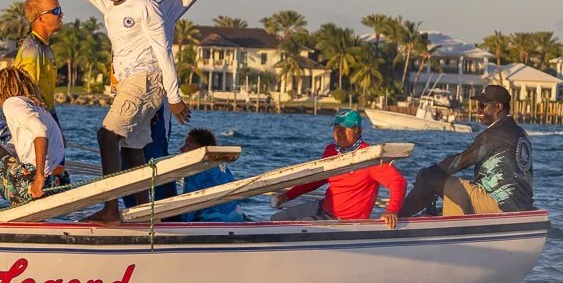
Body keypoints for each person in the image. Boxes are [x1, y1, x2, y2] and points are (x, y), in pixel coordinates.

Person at [38, 0, 184, 223]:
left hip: (145, 80)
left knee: (107, 135)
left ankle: (109, 208)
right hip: (132, 83)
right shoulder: (109, 5)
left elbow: (163, 51)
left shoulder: (145, 7)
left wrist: (174, 95)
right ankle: (143, 211)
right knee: (132, 148)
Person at [128, 0, 230, 203]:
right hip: (128, 96)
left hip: (158, 100)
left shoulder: (164, 11)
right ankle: (130, 212)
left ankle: (165, 212)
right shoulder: (117, 12)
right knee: (129, 160)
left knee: (157, 157)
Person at [399, 84, 534, 217]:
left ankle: (399, 219)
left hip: (500, 206)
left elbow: (460, 162)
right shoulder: (521, 133)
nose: (478, 110)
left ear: (498, 106)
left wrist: (428, 173)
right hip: (522, 204)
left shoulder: (494, 134)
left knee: (431, 178)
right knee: (449, 183)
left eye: (482, 105)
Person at [273, 110, 405, 228]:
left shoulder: (371, 157)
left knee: (293, 227)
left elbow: (398, 183)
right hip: (322, 207)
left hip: (343, 221)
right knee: (276, 220)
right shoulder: (331, 151)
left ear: (359, 131)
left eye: (345, 127)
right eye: (337, 127)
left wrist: (391, 211)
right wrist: (287, 196)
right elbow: (317, 180)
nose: (340, 131)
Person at [0, 67, 66, 218]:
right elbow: (12, 149)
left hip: (38, 183)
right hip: (59, 183)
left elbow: (40, 130)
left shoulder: (11, 103)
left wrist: (39, 177)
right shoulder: (38, 108)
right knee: (1, 157)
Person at [173, 127, 243, 222]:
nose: (181, 149)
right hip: (236, 219)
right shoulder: (223, 169)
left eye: (187, 145)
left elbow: (188, 209)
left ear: (201, 150)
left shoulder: (194, 172)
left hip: (212, 222)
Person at [13, 0, 64, 114]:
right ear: (41, 18)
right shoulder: (32, 51)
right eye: (56, 11)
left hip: (46, 119)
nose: (61, 14)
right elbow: (28, 98)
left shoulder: (44, 47)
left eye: (60, 9)